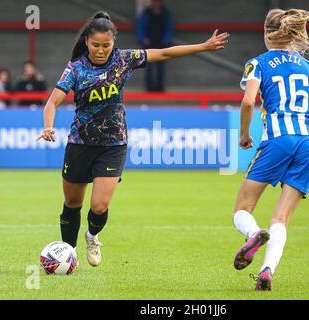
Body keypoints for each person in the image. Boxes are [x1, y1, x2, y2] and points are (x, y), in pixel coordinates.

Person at [36, 11, 228, 267]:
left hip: (113, 144)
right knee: (72, 202)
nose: (101, 50)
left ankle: (92, 237)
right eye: (95, 45)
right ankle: (68, 254)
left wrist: (202, 47)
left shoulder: (124, 59)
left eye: (106, 45)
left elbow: (166, 53)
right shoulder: (76, 68)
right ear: (86, 43)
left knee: (100, 205)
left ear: (113, 42)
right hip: (80, 143)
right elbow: (52, 102)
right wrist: (48, 126)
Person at [233, 8, 309, 291]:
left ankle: (254, 234)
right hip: (308, 141)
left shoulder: (258, 63)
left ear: (266, 34)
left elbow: (247, 103)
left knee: (242, 209)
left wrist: (244, 135)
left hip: (278, 139)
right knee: (281, 218)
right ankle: (267, 271)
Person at [136, 0, 174, 91]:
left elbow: (169, 28)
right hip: (148, 44)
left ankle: (160, 88)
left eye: (158, 2)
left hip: (161, 44)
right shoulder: (146, 13)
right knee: (148, 68)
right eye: (155, 2)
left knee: (161, 68)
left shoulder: (166, 13)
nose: (156, 4)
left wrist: (165, 40)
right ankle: (149, 89)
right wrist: (143, 38)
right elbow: (140, 27)